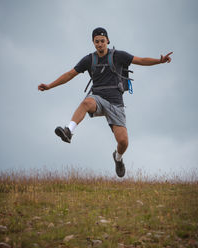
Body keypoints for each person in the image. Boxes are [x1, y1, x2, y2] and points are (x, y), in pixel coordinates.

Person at [38, 27, 173, 178]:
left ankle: (118, 158)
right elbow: (70, 74)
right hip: (98, 98)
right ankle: (69, 131)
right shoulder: (89, 60)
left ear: (107, 41)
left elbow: (140, 60)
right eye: (97, 42)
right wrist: (49, 86)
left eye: (102, 41)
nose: (100, 44)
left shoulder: (119, 56)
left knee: (123, 142)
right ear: (93, 43)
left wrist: (159, 61)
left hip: (116, 103)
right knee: (85, 103)